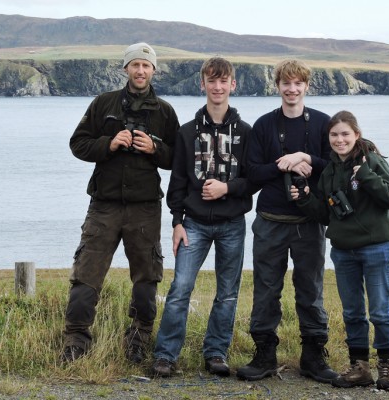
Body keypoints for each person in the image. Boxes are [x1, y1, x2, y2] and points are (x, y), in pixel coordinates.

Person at [61, 42, 180, 365]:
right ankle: (76, 339)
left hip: (145, 207)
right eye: (135, 65)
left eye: (146, 66)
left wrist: (154, 148)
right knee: (87, 273)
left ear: (154, 70)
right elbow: (78, 144)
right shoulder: (104, 104)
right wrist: (108, 144)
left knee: (146, 277)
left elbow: (177, 160)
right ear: (125, 68)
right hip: (104, 204)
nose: (140, 71)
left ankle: (139, 337)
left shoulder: (165, 111)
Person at [150, 57, 254, 378]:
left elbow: (252, 180)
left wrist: (227, 189)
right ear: (203, 85)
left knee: (228, 292)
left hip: (232, 224)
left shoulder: (246, 133)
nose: (218, 87)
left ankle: (216, 353)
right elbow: (178, 180)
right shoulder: (186, 132)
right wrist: (177, 222)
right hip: (192, 223)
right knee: (181, 287)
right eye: (212, 81)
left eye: (224, 81)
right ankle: (166, 355)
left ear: (233, 85)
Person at [236, 59, 337, 383]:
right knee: (266, 290)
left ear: (307, 86)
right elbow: (252, 172)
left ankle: (313, 358)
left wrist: (307, 158)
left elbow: (334, 167)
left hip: (310, 222)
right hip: (270, 220)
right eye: (286, 83)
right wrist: (284, 164)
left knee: (311, 289)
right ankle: (264, 354)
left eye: (298, 84)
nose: (292, 89)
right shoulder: (264, 125)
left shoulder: (323, 123)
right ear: (277, 86)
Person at [292, 110, 389, 391]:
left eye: (345, 134)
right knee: (352, 312)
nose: (340, 140)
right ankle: (360, 368)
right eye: (334, 135)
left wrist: (365, 175)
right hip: (343, 251)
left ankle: (387, 366)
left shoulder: (372, 161)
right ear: (328, 138)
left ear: (356, 135)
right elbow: (328, 215)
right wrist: (305, 200)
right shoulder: (329, 171)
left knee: (379, 311)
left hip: (377, 248)